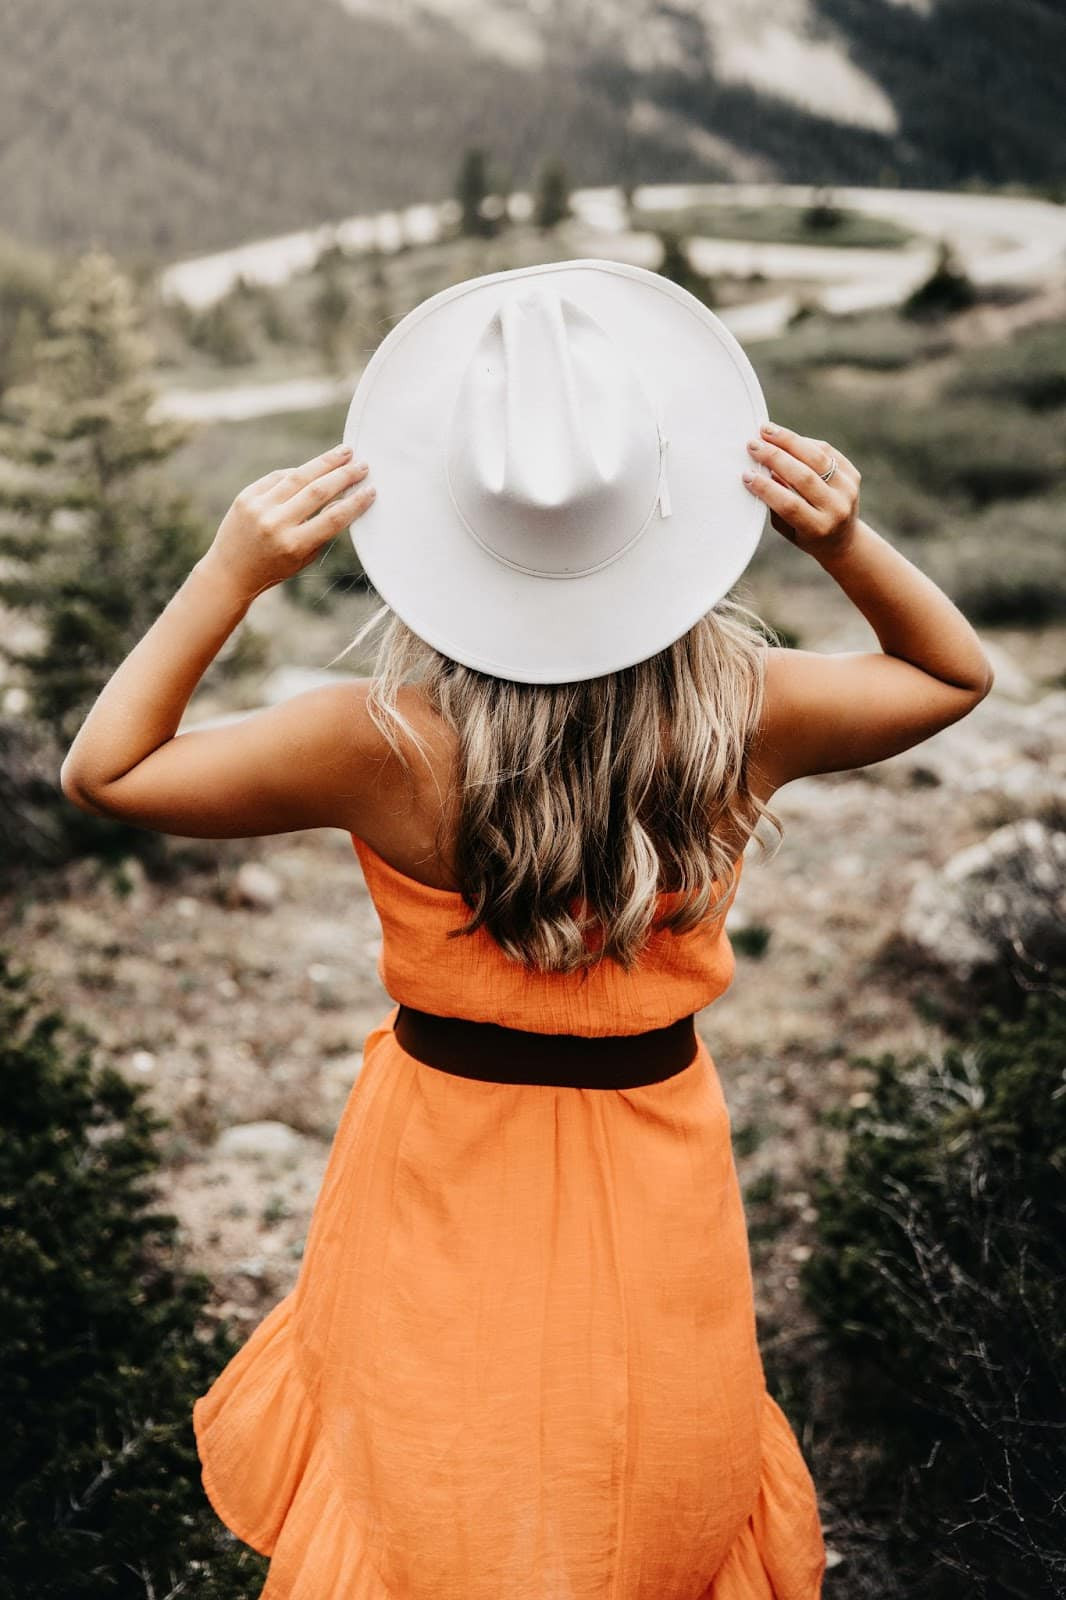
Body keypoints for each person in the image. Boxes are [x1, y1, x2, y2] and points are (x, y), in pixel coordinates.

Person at [59, 260, 993, 1600]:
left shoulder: (375, 746)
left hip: (438, 1153)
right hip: (653, 1153)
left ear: (447, 530)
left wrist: (231, 572)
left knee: (435, 1471)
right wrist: (841, 540)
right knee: (648, 1470)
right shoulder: (741, 713)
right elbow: (952, 673)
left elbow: (106, 773)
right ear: (666, 513)